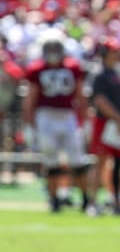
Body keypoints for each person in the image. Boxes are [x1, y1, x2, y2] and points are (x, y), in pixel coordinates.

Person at [23, 28, 90, 213]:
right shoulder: (37, 69)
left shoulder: (73, 67)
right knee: (51, 160)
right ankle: (54, 200)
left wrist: (84, 121)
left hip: (67, 115)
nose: (53, 52)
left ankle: (85, 199)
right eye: (49, 48)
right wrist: (29, 124)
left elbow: (80, 95)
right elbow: (31, 98)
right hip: (45, 115)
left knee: (78, 160)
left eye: (56, 47)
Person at [87, 36, 120, 216]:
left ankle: (117, 200)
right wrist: (119, 118)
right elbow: (100, 101)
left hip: (119, 124)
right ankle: (93, 201)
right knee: (101, 161)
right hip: (105, 123)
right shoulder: (100, 74)